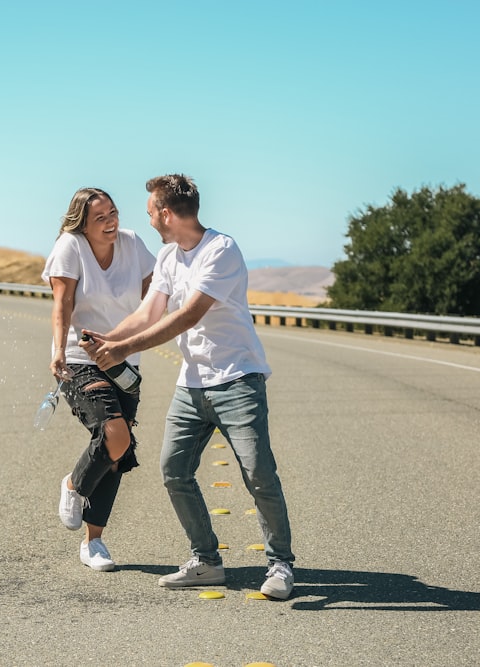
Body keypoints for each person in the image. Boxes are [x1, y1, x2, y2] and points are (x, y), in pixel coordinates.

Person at [79, 174, 295, 599]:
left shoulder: (222, 250)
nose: (147, 220)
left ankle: (281, 565)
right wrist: (110, 340)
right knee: (174, 470)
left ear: (165, 213)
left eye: (150, 212)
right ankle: (207, 561)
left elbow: (186, 316)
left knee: (258, 473)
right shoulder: (167, 256)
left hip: (238, 379)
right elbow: (148, 312)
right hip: (192, 385)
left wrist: (123, 349)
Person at [42, 187, 156, 572]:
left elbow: (157, 293)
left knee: (115, 454)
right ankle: (74, 485)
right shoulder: (70, 246)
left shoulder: (132, 244)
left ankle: (94, 544)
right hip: (80, 358)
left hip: (124, 359)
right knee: (114, 434)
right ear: (83, 224)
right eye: (100, 218)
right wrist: (58, 349)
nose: (111, 222)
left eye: (113, 213)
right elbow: (63, 303)